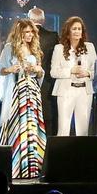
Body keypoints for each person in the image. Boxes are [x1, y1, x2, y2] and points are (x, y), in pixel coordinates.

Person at [0, 19, 46, 178]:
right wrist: (10, 69)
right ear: (20, 33)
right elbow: (0, 69)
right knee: (19, 126)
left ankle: (33, 167)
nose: (30, 35)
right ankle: (17, 166)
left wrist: (38, 69)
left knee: (31, 126)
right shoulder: (9, 49)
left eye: (32, 32)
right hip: (17, 92)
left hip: (32, 92)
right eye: (26, 32)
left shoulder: (34, 49)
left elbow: (40, 73)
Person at [50, 16, 97, 136]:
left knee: (83, 130)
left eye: (79, 29)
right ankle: (61, 154)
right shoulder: (59, 48)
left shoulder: (90, 47)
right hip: (66, 91)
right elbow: (53, 72)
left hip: (84, 92)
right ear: (68, 32)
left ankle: (81, 154)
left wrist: (87, 73)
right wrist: (71, 70)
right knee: (63, 129)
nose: (77, 31)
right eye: (74, 29)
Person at [28, 7, 59, 135]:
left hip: (28, 82)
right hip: (48, 83)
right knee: (49, 118)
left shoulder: (24, 37)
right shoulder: (53, 36)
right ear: (44, 20)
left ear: (29, 19)